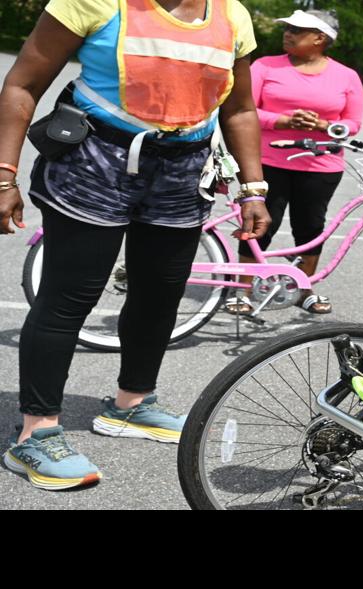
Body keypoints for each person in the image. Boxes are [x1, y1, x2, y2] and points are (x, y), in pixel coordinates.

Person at [0, 0, 269, 491]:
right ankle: (36, 433)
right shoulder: (93, 2)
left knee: (159, 295)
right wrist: (4, 174)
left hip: (183, 171)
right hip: (94, 164)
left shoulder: (232, 14)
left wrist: (254, 187)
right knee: (69, 297)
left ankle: (131, 404)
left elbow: (240, 109)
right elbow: (23, 83)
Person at [249, 8, 361, 313]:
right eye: (287, 28)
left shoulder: (346, 76)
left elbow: (352, 122)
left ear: (320, 38)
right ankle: (243, 288)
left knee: (310, 227)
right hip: (269, 160)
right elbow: (245, 111)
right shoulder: (264, 66)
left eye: (297, 30)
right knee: (259, 223)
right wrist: (283, 121)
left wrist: (326, 127)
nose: (287, 33)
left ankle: (302, 289)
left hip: (321, 165)